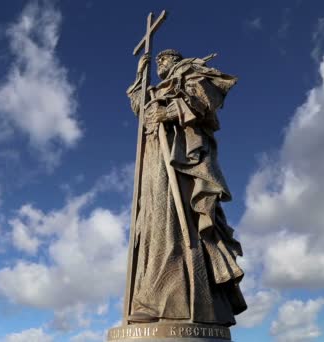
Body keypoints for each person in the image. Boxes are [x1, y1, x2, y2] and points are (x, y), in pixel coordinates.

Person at [125, 49, 247, 326]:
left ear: (176, 60)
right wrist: (140, 76)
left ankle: (177, 300)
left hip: (181, 162)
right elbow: (140, 107)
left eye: (164, 59)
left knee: (177, 225)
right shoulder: (155, 88)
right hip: (154, 159)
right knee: (153, 224)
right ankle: (150, 296)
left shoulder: (189, 74)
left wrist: (169, 111)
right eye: (157, 61)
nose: (160, 63)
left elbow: (205, 101)